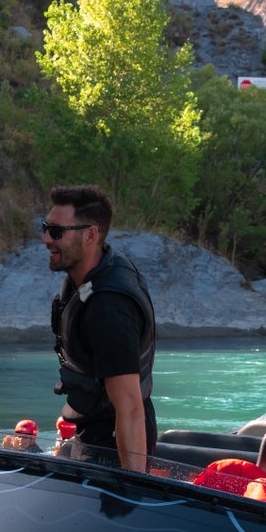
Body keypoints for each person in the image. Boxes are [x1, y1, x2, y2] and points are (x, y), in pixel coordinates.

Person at [43, 185, 156, 472]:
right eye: (45, 227)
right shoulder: (96, 272)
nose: (45, 238)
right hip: (92, 430)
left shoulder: (108, 307)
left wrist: (134, 489)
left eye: (57, 232)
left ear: (91, 234)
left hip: (114, 443)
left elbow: (130, 408)